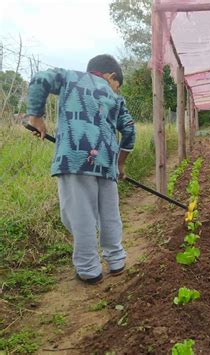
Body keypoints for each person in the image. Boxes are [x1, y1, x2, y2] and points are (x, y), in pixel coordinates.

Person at [27, 54, 136, 284]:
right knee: (110, 214)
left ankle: (89, 270)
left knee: (81, 216)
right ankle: (116, 260)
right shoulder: (116, 99)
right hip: (107, 163)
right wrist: (120, 163)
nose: (115, 90)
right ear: (111, 77)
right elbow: (129, 131)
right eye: (117, 86)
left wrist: (35, 116)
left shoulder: (70, 78)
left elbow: (40, 79)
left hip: (74, 159)